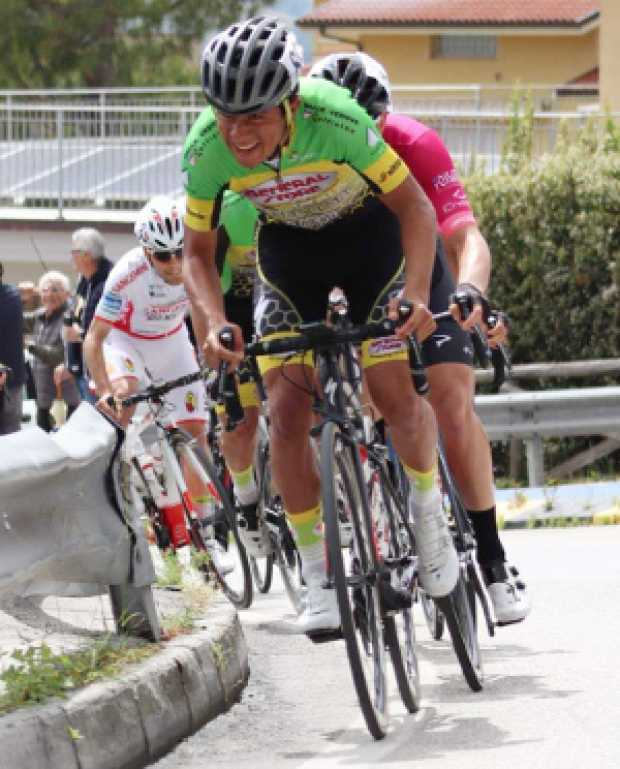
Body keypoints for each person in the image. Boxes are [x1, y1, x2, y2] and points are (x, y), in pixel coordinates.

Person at [182, 16, 458, 634]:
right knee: (284, 410)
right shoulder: (205, 147)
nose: (238, 132)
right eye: (227, 115)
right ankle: (318, 572)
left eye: (254, 116)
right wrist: (213, 321)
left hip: (370, 245)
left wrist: (415, 295)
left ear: (291, 102)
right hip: (290, 253)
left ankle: (427, 513)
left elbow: (415, 208)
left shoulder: (336, 118)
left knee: (390, 388)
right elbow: (198, 253)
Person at [309, 52, 529, 625]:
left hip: (420, 269)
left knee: (453, 401)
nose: (367, 141)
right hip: (355, 277)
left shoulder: (415, 141)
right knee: (373, 401)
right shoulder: (305, 157)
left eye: (375, 127)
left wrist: (472, 292)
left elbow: (464, 235)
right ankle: (388, 507)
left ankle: (492, 556)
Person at [83, 195, 233, 574]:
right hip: (125, 341)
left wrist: (208, 357)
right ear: (146, 252)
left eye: (179, 252)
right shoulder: (126, 274)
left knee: (195, 435)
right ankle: (133, 470)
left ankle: (208, 537)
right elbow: (94, 339)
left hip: (169, 341)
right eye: (163, 256)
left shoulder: (195, 265)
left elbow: (202, 312)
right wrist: (105, 390)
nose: (174, 264)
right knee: (130, 395)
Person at [55, 227, 113, 403]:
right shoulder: (85, 280)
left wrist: (79, 335)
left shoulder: (108, 283)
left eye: (74, 252)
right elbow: (77, 313)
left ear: (87, 255)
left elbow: (108, 330)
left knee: (106, 424)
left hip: (102, 372)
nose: (71, 256)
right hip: (83, 368)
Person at [23, 271, 81, 432]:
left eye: (56, 290)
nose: (50, 294)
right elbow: (15, 320)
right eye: (45, 290)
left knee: (70, 439)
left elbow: (59, 355)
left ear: (67, 293)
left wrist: (31, 346)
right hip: (43, 399)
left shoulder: (70, 317)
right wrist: (21, 298)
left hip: (67, 399)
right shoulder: (40, 315)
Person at [0, 261, 26, 435]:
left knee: (9, 433)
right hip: (11, 376)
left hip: (8, 379)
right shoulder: (12, 295)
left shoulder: (10, 297)